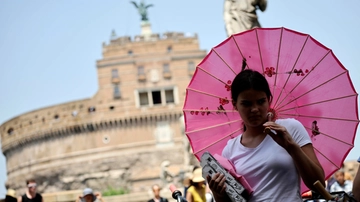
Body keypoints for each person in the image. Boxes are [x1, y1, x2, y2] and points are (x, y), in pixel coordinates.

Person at [206, 68, 325, 202]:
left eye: (261, 101)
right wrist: (218, 193)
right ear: (235, 104)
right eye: (246, 103)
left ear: (269, 100)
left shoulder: (291, 128)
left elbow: (319, 183)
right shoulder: (230, 150)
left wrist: (291, 146)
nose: (255, 109)